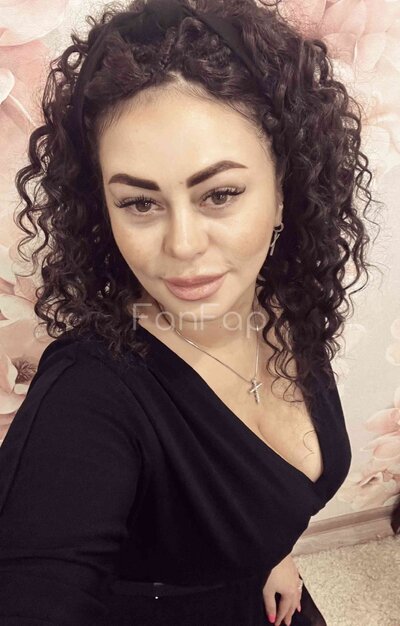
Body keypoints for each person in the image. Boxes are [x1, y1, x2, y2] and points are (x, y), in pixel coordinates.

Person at [0, 0, 379, 624]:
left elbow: (262, 488)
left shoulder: (284, 306)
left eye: (220, 194)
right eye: (140, 203)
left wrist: (270, 550)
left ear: (283, 190)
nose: (182, 246)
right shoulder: (89, 392)